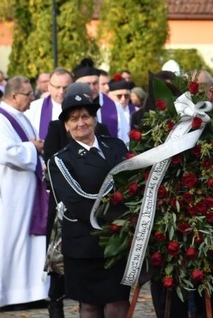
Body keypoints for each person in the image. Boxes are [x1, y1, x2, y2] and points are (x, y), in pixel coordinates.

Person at [48, 92, 130, 318]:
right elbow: (76, 201)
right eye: (73, 119)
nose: (81, 123)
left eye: (85, 116)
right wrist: (121, 215)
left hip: (118, 240)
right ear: (66, 125)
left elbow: (134, 183)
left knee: (118, 301)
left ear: (94, 119)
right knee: (90, 305)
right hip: (85, 242)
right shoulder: (61, 160)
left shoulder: (116, 146)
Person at [0, 76, 49, 311]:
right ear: (13, 96)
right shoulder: (1, 118)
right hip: (10, 195)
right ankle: (8, 294)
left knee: (29, 242)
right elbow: (7, 152)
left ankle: (30, 291)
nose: (32, 98)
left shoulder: (21, 117)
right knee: (11, 241)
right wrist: (33, 148)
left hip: (28, 191)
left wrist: (35, 148)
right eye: (28, 94)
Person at [73, 58, 129, 145]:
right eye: (87, 84)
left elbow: (125, 138)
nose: (92, 88)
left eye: (95, 83)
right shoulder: (68, 106)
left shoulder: (115, 106)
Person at [26, 67, 73, 140]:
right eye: (57, 87)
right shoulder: (33, 108)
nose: (61, 92)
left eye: (65, 87)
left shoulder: (81, 107)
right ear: (49, 87)